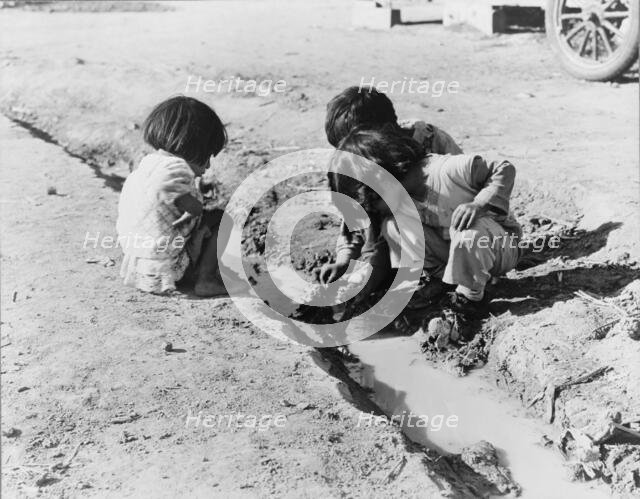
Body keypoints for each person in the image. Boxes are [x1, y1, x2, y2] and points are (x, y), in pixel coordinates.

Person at [324, 126, 521, 331]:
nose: (375, 211)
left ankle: (470, 299)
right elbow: (376, 245)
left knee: (469, 230)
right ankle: (436, 282)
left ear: (382, 182)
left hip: (500, 246)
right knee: (392, 226)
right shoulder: (401, 197)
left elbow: (503, 168)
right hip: (455, 250)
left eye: (373, 205)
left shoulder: (447, 171)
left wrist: (478, 205)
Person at [321, 86, 463, 295]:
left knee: (394, 226)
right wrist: (345, 259)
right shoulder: (354, 162)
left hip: (447, 236)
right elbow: (356, 214)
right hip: (393, 237)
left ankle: (442, 277)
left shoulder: (431, 143)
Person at [116, 95, 232, 297]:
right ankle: (205, 279)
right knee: (223, 219)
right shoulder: (176, 167)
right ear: (194, 147)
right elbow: (166, 190)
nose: (208, 166)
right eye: (207, 157)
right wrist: (194, 208)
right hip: (170, 266)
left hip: (140, 264)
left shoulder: (147, 165)